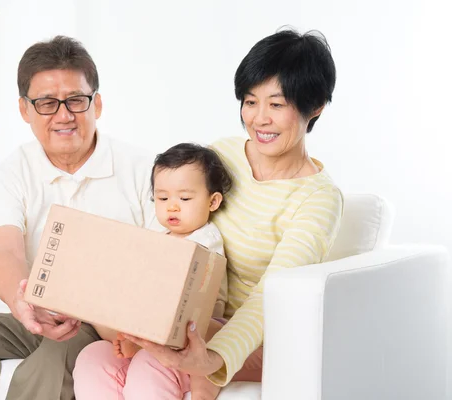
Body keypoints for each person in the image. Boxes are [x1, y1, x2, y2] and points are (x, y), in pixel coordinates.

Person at [0, 36, 157, 400]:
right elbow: (4, 251)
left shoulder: (143, 170)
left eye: (76, 100)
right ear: (25, 110)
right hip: (36, 313)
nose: (63, 115)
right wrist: (24, 303)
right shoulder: (12, 172)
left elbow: (163, 262)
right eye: (46, 103)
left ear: (97, 104)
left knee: (58, 354)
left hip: (103, 324)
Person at [122, 28, 344, 400]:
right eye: (250, 101)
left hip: (256, 336)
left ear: (316, 105)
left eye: (277, 104)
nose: (259, 119)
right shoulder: (222, 154)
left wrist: (211, 357)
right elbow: (170, 227)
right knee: (95, 358)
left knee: (148, 367)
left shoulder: (319, 198)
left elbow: (269, 295)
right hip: (189, 316)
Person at [72, 142, 232, 399]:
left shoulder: (205, 239)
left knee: (150, 364)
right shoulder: (156, 237)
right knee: (93, 356)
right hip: (145, 332)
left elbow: (177, 288)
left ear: (213, 201)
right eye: (163, 197)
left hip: (191, 340)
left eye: (185, 198)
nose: (172, 206)